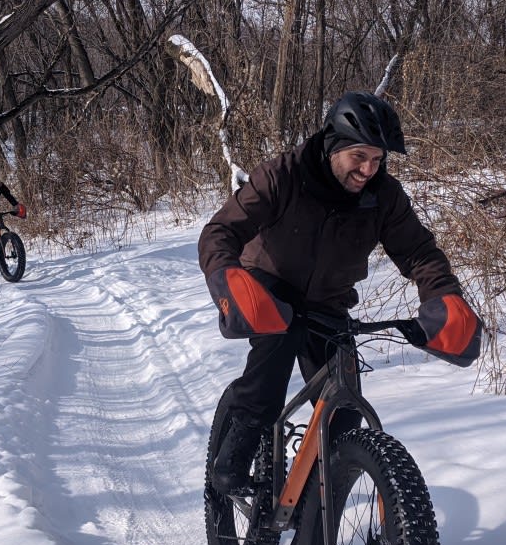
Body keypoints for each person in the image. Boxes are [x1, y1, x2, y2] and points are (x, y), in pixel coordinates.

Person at [198, 90, 482, 495]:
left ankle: (313, 519)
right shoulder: (283, 175)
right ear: (333, 146)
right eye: (359, 157)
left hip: (329, 299)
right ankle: (237, 450)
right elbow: (221, 231)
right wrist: (227, 276)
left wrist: (442, 296)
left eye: (378, 159)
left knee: (345, 413)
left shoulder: (382, 196)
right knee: (275, 356)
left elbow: (419, 251)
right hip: (269, 285)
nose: (368, 169)